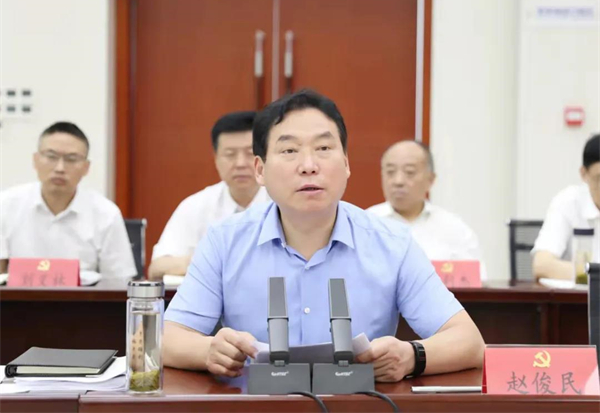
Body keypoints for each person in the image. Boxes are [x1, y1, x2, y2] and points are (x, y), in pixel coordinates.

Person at [163, 90, 484, 382]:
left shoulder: (392, 243)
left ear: (345, 164)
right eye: (289, 150)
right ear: (260, 170)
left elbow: (469, 342)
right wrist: (208, 350)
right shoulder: (224, 241)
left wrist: (412, 356)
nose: (309, 165)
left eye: (324, 148)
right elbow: (167, 338)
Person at [0, 122, 136, 279]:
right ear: (35, 160)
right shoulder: (5, 205)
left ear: (86, 167)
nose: (60, 168)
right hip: (17, 295)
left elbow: (119, 281)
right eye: (51, 157)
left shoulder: (106, 214)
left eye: (71, 159)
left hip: (84, 296)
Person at [148, 111, 270, 279]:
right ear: (216, 158)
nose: (240, 163)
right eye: (230, 154)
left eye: (250, 153)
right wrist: (210, 261)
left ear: (264, 157)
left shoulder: (284, 203)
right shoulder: (196, 206)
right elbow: (157, 267)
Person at [367, 141, 485, 276]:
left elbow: (475, 281)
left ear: (430, 179)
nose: (398, 181)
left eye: (409, 172)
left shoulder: (455, 229)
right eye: (390, 172)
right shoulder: (364, 224)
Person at [533, 134, 600, 280]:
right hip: (578, 294)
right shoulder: (568, 202)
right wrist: (592, 277)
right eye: (599, 178)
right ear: (584, 174)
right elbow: (542, 265)